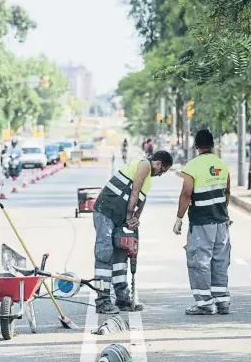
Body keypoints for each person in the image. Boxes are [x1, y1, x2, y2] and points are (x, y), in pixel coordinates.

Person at [93, 150, 174, 314]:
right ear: (158, 163)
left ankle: (122, 299)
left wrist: (135, 218)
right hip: (106, 211)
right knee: (105, 253)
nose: (160, 174)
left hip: (119, 217)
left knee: (121, 255)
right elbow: (134, 191)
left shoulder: (148, 180)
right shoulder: (144, 165)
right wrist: (130, 215)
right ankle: (102, 301)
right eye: (162, 170)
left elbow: (141, 200)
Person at [173, 129, 231, 315]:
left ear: (196, 146)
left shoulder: (192, 166)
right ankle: (222, 302)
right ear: (213, 145)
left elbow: (186, 194)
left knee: (200, 262)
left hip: (201, 222)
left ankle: (205, 303)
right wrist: (224, 213)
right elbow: (227, 192)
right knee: (220, 261)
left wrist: (179, 218)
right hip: (221, 222)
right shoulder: (222, 165)